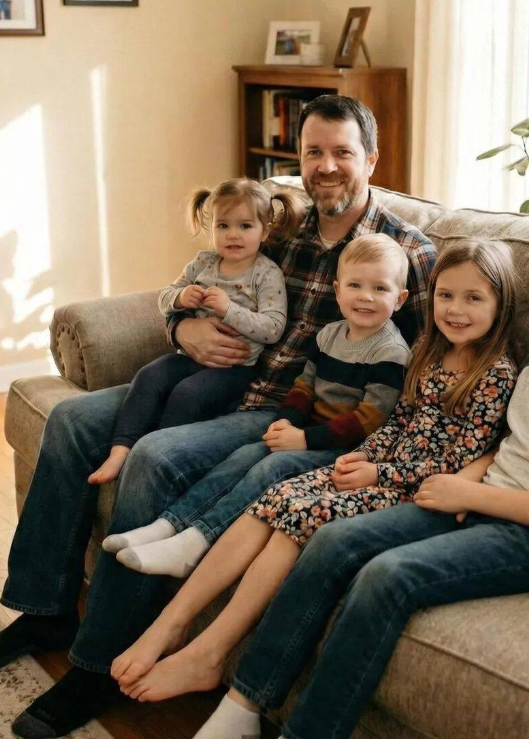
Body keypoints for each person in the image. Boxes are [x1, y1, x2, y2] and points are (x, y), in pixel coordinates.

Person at [1, 94, 437, 738]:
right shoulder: (283, 225)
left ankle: (96, 666)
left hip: (286, 410)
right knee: (71, 422)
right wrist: (183, 330)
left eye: (342, 153)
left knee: (155, 455)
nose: (325, 166)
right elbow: (195, 283)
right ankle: (44, 611)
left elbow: (422, 374)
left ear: (371, 159)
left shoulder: (407, 254)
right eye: (313, 152)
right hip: (219, 377)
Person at [182, 227, 529, 739]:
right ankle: (245, 702)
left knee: (388, 577)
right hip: (474, 498)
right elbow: (504, 443)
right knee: (333, 540)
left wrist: (471, 492)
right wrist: (468, 479)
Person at [110, 239, 517, 704]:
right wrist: (364, 457)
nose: (456, 309)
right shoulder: (428, 349)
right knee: (276, 496)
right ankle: (171, 623)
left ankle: (208, 653)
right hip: (377, 466)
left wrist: (378, 474)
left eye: (473, 298)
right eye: (446, 295)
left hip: (414, 490)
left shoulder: (496, 374)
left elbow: (459, 461)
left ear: (500, 304)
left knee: (298, 517)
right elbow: (398, 421)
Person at [103, 232, 412, 578]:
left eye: (380, 289)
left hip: (345, 449)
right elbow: (304, 385)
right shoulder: (329, 335)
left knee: (271, 468)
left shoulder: (390, 352)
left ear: (400, 298)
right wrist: (286, 421)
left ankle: (195, 541)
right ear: (338, 291)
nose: (366, 297)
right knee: (245, 456)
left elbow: (369, 420)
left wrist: (305, 439)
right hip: (306, 431)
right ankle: (168, 525)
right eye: (355, 285)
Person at [88, 178, 300, 485]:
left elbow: (273, 328)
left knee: (188, 393)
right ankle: (120, 451)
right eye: (223, 225)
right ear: (211, 228)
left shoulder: (266, 274)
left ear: (264, 231)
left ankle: (152, 457)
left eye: (245, 226)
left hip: (236, 369)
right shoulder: (204, 262)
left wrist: (229, 309)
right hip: (190, 357)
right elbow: (164, 297)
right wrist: (179, 298)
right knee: (148, 376)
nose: (233, 234)